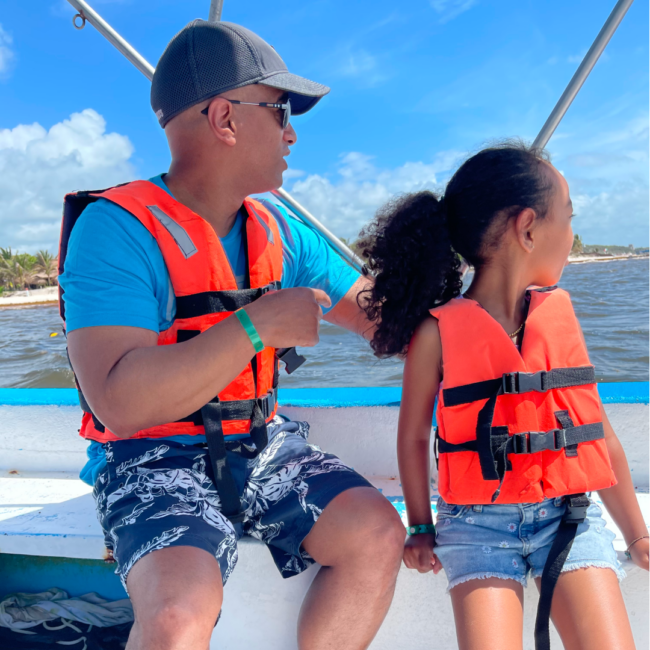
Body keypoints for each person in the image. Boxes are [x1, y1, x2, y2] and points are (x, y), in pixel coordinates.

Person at [58, 20, 404, 650]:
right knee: (176, 615)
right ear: (224, 118)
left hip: (259, 444)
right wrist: (255, 325)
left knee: (376, 532)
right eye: (281, 110)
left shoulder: (282, 234)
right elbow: (120, 402)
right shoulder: (115, 230)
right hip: (149, 458)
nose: (292, 132)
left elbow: (386, 325)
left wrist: (461, 273)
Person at [357, 141, 649, 650]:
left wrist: (637, 533)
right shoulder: (437, 333)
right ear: (529, 227)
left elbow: (594, 429)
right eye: (569, 218)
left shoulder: (559, 317)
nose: (573, 234)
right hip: (475, 527)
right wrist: (421, 526)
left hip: (568, 513)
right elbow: (412, 437)